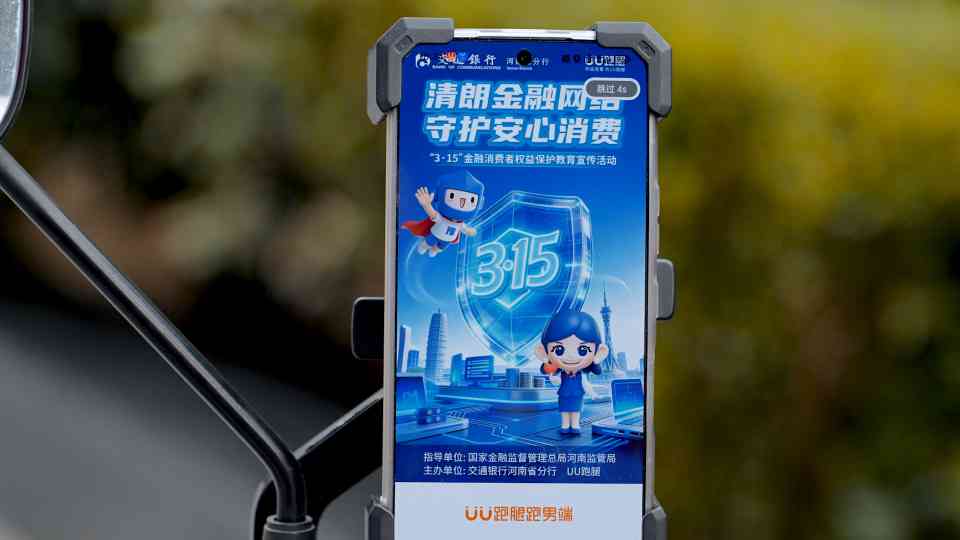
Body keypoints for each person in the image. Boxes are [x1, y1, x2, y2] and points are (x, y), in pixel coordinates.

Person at [535, 309, 608, 435]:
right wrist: (552, 376)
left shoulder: (581, 375)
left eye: (583, 350)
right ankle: (565, 425)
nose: (570, 356)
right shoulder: (561, 373)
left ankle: (574, 425)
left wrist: (593, 394)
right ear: (543, 352)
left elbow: (586, 385)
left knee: (575, 411)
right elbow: (556, 380)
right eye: (559, 349)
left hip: (577, 395)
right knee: (564, 410)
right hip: (564, 394)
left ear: (599, 353)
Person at [402, 170, 485, 257]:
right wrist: (426, 205)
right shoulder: (441, 218)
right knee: (428, 243)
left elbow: (466, 230)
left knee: (439, 248)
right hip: (435, 234)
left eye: (472, 200)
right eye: (452, 195)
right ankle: (424, 247)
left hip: (447, 240)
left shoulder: (460, 224)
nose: (462, 202)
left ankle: (434, 250)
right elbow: (432, 214)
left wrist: (470, 231)